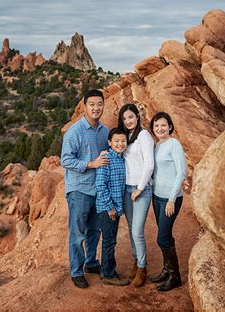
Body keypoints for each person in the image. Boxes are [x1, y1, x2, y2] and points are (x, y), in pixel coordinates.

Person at [61, 89, 110, 289]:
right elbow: (66, 160)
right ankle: (76, 271)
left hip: (98, 190)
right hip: (79, 189)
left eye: (99, 104)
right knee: (77, 233)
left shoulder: (105, 131)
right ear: (84, 106)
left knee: (94, 231)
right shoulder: (75, 131)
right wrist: (91, 164)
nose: (96, 108)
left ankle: (91, 263)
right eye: (92, 104)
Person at [149, 112, 186, 291]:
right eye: (156, 126)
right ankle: (166, 270)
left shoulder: (174, 144)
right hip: (157, 197)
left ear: (170, 126)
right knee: (166, 235)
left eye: (163, 125)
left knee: (162, 238)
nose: (160, 129)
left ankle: (175, 276)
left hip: (170, 199)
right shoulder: (157, 146)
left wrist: (172, 199)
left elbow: (181, 173)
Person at [118, 103, 154, 287]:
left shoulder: (143, 135)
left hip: (141, 190)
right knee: (132, 228)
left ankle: (142, 267)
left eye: (131, 117)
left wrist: (140, 188)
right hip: (126, 189)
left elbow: (149, 164)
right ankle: (135, 261)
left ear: (137, 117)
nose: (128, 121)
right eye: (124, 119)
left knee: (137, 231)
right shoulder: (127, 137)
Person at [95, 128, 130, 286]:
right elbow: (100, 185)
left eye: (123, 141)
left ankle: (107, 270)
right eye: (116, 141)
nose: (120, 144)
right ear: (110, 142)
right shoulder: (107, 158)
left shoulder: (121, 159)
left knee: (110, 240)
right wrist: (110, 208)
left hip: (115, 207)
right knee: (109, 241)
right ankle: (108, 274)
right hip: (107, 208)